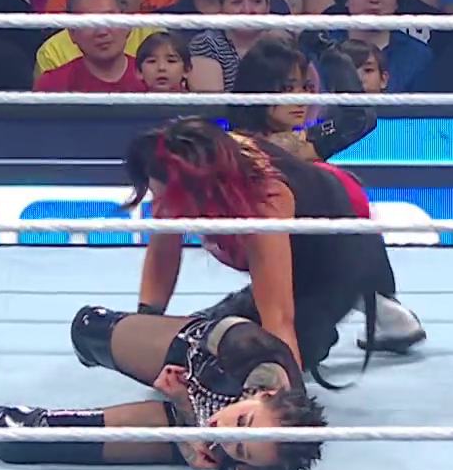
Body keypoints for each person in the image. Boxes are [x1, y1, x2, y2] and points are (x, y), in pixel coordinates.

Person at [0, 311, 326, 470]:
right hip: (190, 350)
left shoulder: (270, 469)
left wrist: (186, 411)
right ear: (265, 394)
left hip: (181, 406)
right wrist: (178, 376)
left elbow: (221, 462)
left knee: (28, 441)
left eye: (239, 449)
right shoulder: (251, 351)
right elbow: (217, 331)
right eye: (241, 424)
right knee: (87, 330)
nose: (225, 435)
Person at [126, 116, 399, 380]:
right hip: (296, 250)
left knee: (249, 364)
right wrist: (146, 323)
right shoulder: (177, 169)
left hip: (338, 260)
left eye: (171, 202)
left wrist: (288, 396)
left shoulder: (264, 199)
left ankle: (353, 305)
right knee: (181, 350)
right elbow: (163, 251)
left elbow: (277, 318)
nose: (165, 209)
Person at [227, 35, 427, 354]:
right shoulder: (260, 147)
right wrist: (330, 54)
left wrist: (329, 54)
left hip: (310, 259)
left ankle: (376, 303)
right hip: (277, 257)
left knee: (342, 191)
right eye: (286, 88)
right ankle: (376, 304)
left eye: (305, 87)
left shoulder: (290, 142)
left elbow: (357, 120)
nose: (300, 99)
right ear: (259, 91)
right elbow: (355, 120)